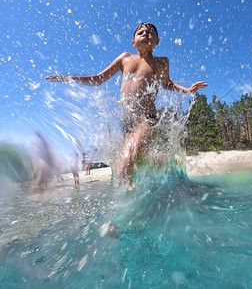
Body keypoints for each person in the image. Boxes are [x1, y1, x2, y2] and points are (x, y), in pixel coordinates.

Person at [46, 22, 207, 181]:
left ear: (157, 41)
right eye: (141, 32)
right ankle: (155, 175)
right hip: (127, 123)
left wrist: (186, 90)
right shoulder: (125, 58)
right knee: (132, 165)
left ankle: (135, 198)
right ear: (133, 41)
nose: (146, 34)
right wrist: (69, 79)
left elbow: (167, 84)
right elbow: (97, 79)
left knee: (127, 160)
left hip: (147, 119)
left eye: (150, 33)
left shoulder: (161, 62)